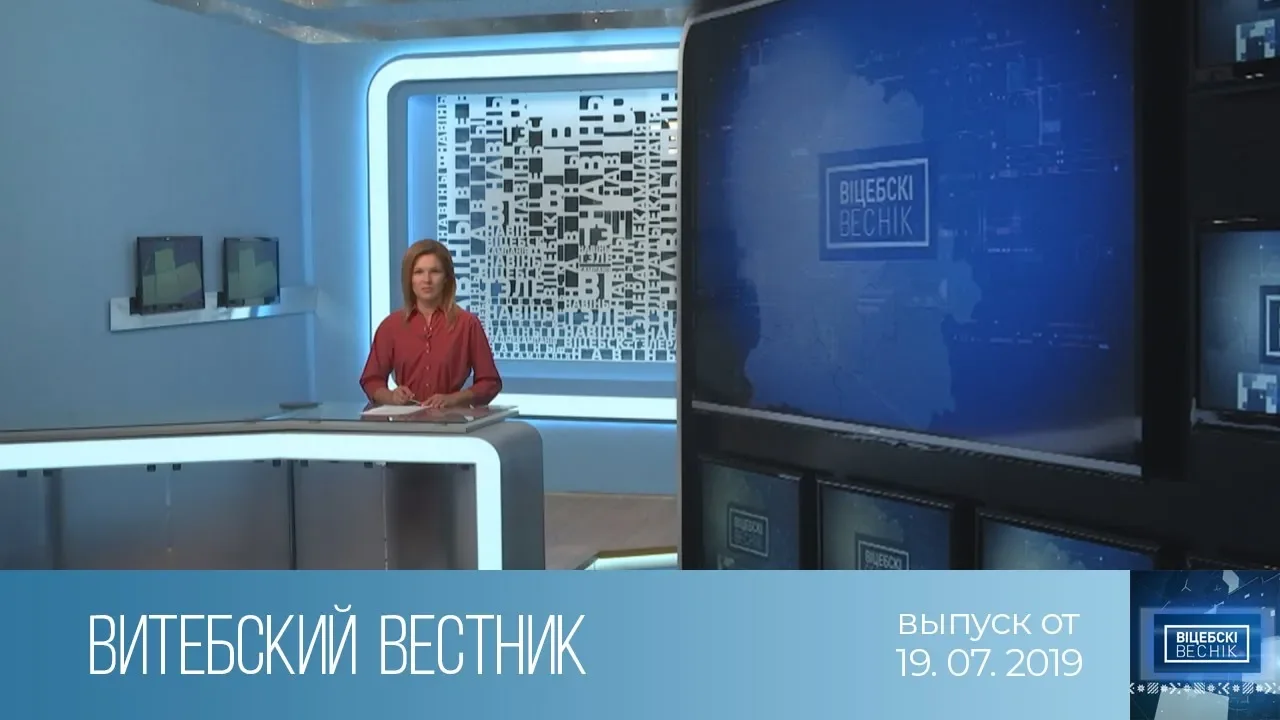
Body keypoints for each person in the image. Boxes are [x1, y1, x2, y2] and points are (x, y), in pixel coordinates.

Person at [360, 239, 502, 408]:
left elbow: (490, 382)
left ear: (446, 278)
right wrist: (391, 397)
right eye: (418, 272)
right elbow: (371, 380)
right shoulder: (391, 326)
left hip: (451, 420)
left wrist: (454, 399)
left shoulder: (468, 324)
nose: (427, 280)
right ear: (409, 279)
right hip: (405, 420)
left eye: (435, 271)